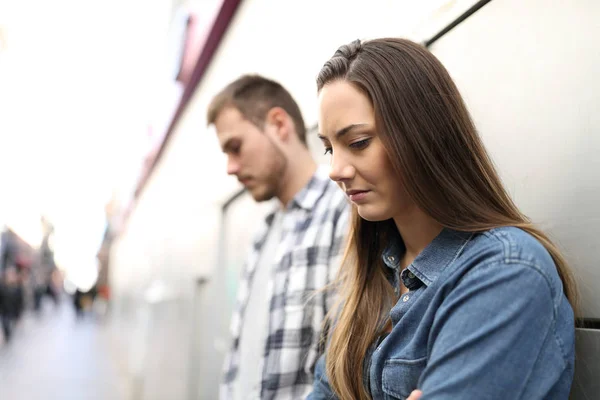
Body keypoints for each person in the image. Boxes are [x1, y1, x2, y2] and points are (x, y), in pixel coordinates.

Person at [309, 38, 577, 400]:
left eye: (357, 142)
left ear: (421, 134)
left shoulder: (505, 271)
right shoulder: (367, 282)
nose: (335, 170)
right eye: (329, 148)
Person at [207, 74, 350, 399]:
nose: (230, 167)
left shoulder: (342, 211)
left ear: (279, 124)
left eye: (235, 147)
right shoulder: (263, 232)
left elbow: (348, 363)